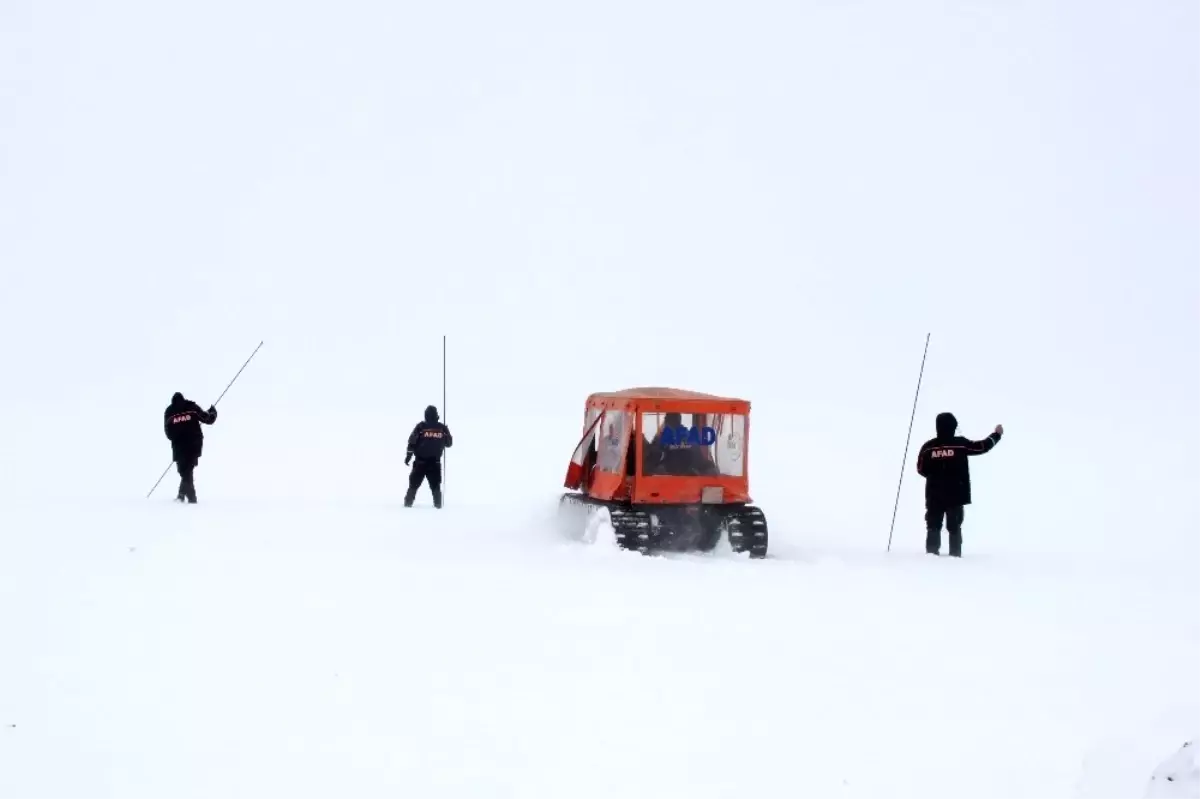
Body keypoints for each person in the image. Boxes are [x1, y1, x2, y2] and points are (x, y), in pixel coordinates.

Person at [915, 412, 1003, 557]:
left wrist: (935, 477)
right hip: (956, 495)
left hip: (934, 495)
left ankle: (931, 556)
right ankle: (955, 557)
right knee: (954, 526)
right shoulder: (960, 444)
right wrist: (997, 435)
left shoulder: (928, 447)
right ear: (953, 427)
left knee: (933, 526)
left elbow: (920, 469)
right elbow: (982, 447)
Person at [164, 392, 218, 503]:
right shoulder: (191, 407)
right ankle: (189, 499)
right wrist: (213, 413)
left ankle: (185, 498)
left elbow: (168, 434)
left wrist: (178, 434)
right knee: (187, 471)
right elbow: (208, 419)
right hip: (194, 444)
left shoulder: (169, 412)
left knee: (185, 471)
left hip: (178, 447)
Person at [404, 404, 452, 508]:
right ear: (436, 415)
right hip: (435, 463)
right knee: (436, 487)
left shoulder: (421, 427)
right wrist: (445, 433)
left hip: (420, 463)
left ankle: (407, 505)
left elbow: (412, 442)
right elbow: (449, 444)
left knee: (413, 486)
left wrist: (408, 456)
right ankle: (438, 507)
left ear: (426, 415)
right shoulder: (442, 428)